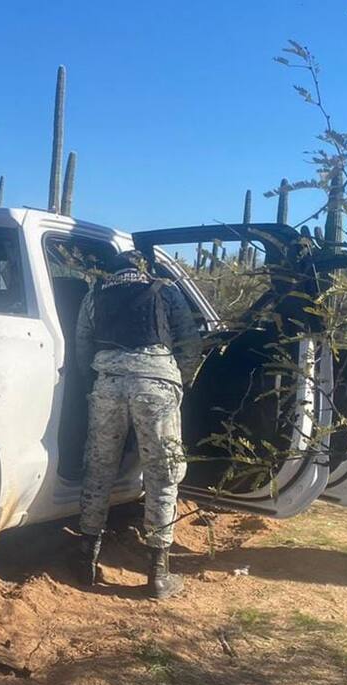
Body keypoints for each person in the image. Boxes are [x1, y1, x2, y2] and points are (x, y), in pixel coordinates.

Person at [74, 250, 203, 598]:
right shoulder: (166, 290)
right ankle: (158, 573)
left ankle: (85, 559)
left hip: (109, 385)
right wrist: (181, 382)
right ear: (144, 268)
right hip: (156, 387)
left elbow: (82, 344)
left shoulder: (95, 294)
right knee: (162, 476)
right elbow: (190, 344)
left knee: (99, 468)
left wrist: (93, 380)